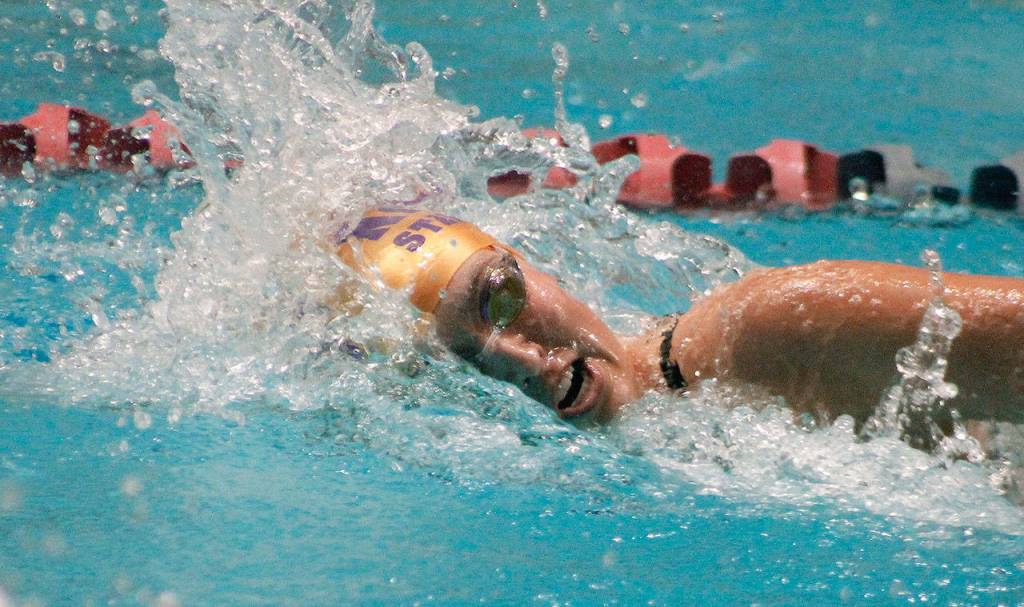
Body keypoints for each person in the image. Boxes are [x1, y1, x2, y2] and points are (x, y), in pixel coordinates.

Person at [335, 207, 1024, 447]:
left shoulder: (773, 327)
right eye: (465, 357)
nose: (522, 360)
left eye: (500, 299)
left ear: (535, 267)